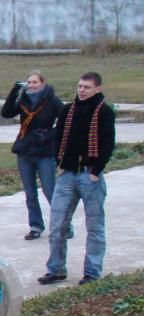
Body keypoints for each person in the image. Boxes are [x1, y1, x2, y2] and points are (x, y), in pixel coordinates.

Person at [38, 72, 115, 286]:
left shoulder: (105, 112)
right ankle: (56, 269)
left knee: (95, 227)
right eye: (80, 86)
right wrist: (60, 163)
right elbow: (58, 138)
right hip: (67, 175)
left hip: (90, 176)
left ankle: (92, 272)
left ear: (97, 89)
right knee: (57, 225)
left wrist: (95, 171)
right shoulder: (68, 110)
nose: (82, 90)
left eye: (87, 87)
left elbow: (108, 144)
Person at [1, 70, 65, 241]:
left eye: (35, 82)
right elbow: (6, 113)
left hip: (44, 151)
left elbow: (65, 122)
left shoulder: (52, 100)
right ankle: (36, 226)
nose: (31, 85)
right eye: (29, 82)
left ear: (42, 83)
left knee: (50, 190)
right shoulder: (24, 99)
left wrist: (49, 135)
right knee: (30, 193)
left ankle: (64, 225)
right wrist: (14, 92)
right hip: (25, 150)